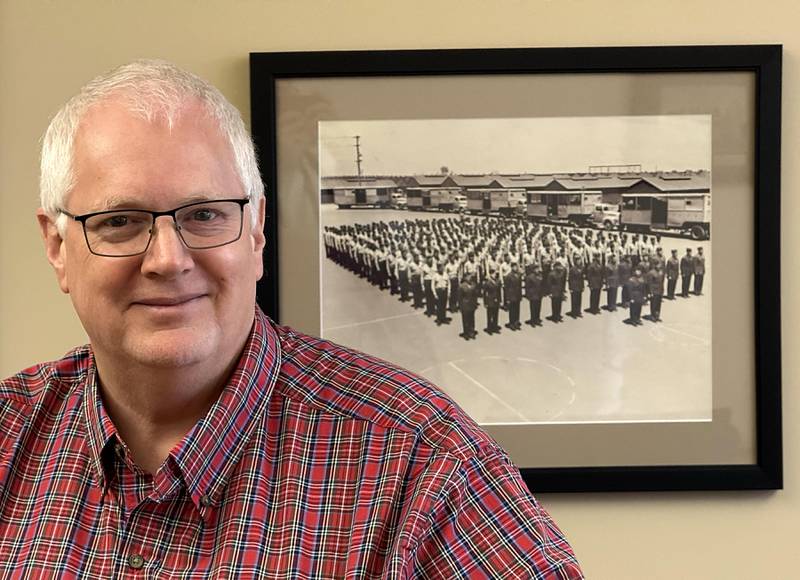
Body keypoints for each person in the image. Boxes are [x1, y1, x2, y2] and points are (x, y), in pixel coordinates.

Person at [0, 61, 582, 578]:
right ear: (56, 246)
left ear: (256, 231)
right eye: (120, 221)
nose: (168, 260)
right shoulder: (9, 433)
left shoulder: (422, 462)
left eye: (205, 214)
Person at [458, 273, 478, 340]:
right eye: (468, 277)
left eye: (470, 277)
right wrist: (460, 306)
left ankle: (471, 332)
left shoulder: (473, 285)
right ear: (465, 278)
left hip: (472, 305)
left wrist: (475, 304)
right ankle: (466, 333)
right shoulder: (462, 286)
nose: (470, 278)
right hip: (465, 305)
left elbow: (475, 296)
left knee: (472, 319)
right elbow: (460, 298)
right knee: (465, 320)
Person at [504, 261, 523, 330]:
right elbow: (507, 288)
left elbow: (520, 286)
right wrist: (507, 298)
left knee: (517, 309)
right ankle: (511, 323)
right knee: (512, 310)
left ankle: (516, 322)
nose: (515, 268)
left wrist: (520, 295)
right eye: (514, 267)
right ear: (511, 267)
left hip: (517, 294)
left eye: (516, 267)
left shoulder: (519, 275)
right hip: (512, 295)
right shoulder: (508, 276)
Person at [482, 268, 502, 334]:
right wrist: (485, 302)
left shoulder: (498, 281)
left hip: (496, 300)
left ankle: (495, 327)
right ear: (490, 274)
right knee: (490, 315)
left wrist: (500, 300)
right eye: (493, 274)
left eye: (495, 274)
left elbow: (499, 292)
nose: (495, 275)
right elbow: (484, 293)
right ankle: (489, 328)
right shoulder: (487, 283)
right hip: (490, 300)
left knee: (496, 314)